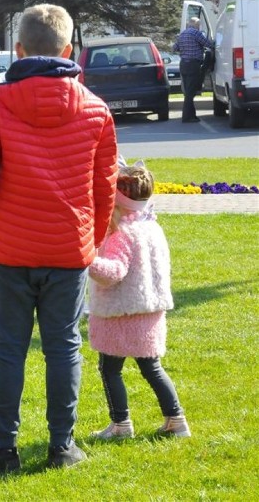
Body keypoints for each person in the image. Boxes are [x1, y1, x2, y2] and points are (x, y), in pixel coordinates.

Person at [0, 3, 118, 472]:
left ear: (18, 49)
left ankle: (3, 447)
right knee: (63, 346)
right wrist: (94, 238)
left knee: (7, 347)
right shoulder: (95, 109)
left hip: (11, 250)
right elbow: (103, 187)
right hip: (68, 250)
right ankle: (61, 446)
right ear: (69, 50)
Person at [88, 159, 190, 440]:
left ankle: (120, 425)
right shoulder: (151, 227)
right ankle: (176, 420)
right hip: (150, 310)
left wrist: (88, 260)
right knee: (152, 368)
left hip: (119, 313)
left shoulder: (122, 233)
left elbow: (113, 273)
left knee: (110, 369)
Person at [173, 17, 214, 123]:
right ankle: (186, 117)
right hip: (193, 65)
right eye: (199, 25)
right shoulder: (196, 33)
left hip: (183, 65)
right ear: (196, 24)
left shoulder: (182, 34)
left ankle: (192, 115)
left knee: (188, 91)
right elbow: (208, 44)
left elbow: (174, 48)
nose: (199, 27)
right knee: (190, 93)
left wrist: (185, 49)